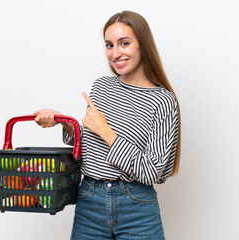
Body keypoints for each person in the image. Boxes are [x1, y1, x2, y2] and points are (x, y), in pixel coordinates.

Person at [34, 10, 181, 240]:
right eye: (109, 45)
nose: (116, 53)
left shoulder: (162, 100)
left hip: (137, 206)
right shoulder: (101, 87)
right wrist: (64, 123)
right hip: (89, 201)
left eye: (124, 43)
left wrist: (106, 131)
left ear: (143, 44)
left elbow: (152, 172)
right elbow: (89, 148)